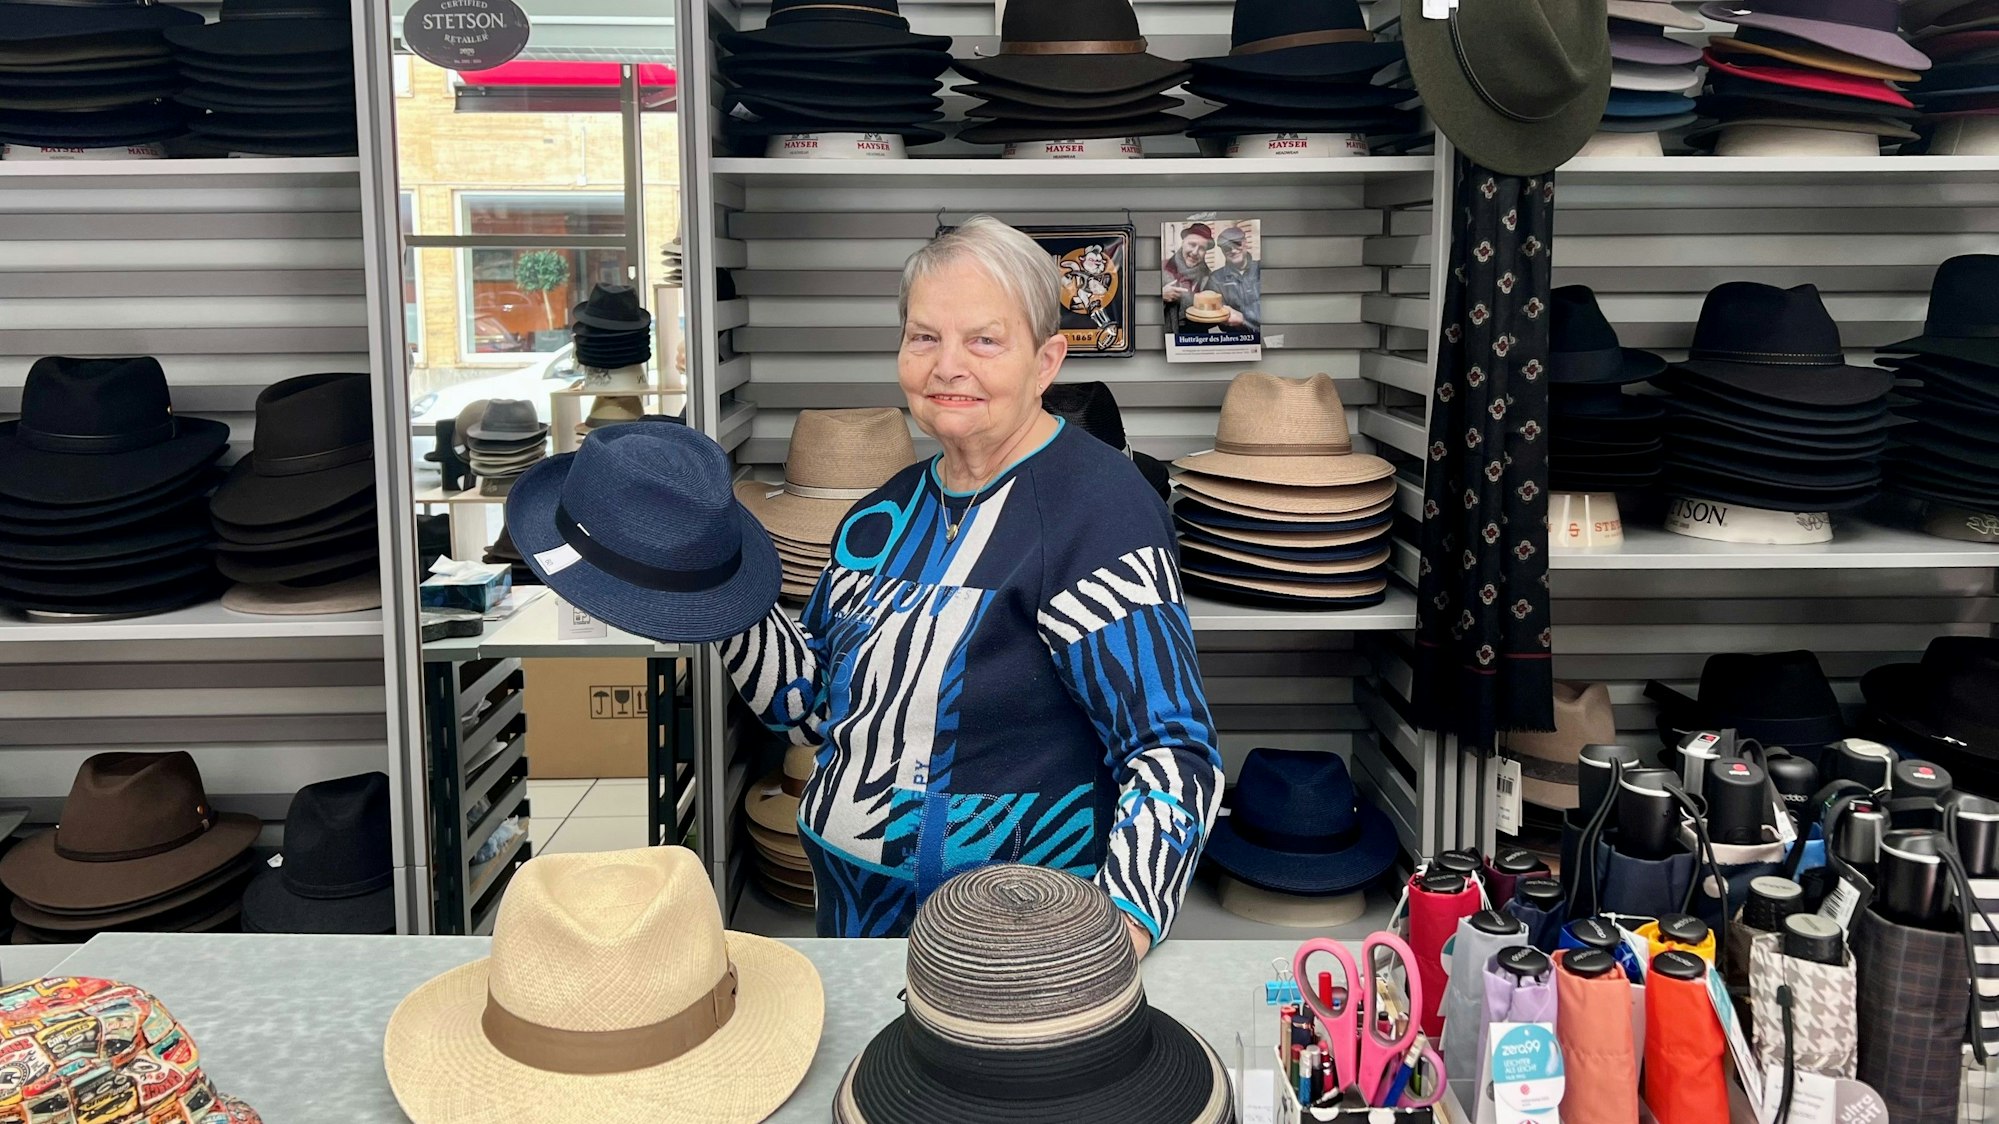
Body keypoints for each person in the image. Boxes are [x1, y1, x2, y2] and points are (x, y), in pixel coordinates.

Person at [722, 216, 1223, 955]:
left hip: (1013, 929)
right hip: (851, 908)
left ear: (1046, 360)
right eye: (923, 337)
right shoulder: (882, 512)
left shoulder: (1097, 507)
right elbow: (811, 711)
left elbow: (1169, 747)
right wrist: (720, 594)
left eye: (983, 341)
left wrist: (1120, 935)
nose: (946, 366)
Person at [1210, 225, 1262, 333]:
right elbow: (1221, 318)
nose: (1233, 250)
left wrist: (1243, 318)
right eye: (1227, 248)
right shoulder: (1216, 279)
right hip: (1237, 339)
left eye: (1237, 244)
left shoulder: (1261, 270)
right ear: (1223, 252)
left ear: (1245, 242)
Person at [1161, 222, 1214, 313]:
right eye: (1192, 244)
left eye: (1201, 248)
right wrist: (1161, 296)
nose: (1195, 252)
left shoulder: (1210, 278)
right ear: (1183, 243)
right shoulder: (1162, 268)